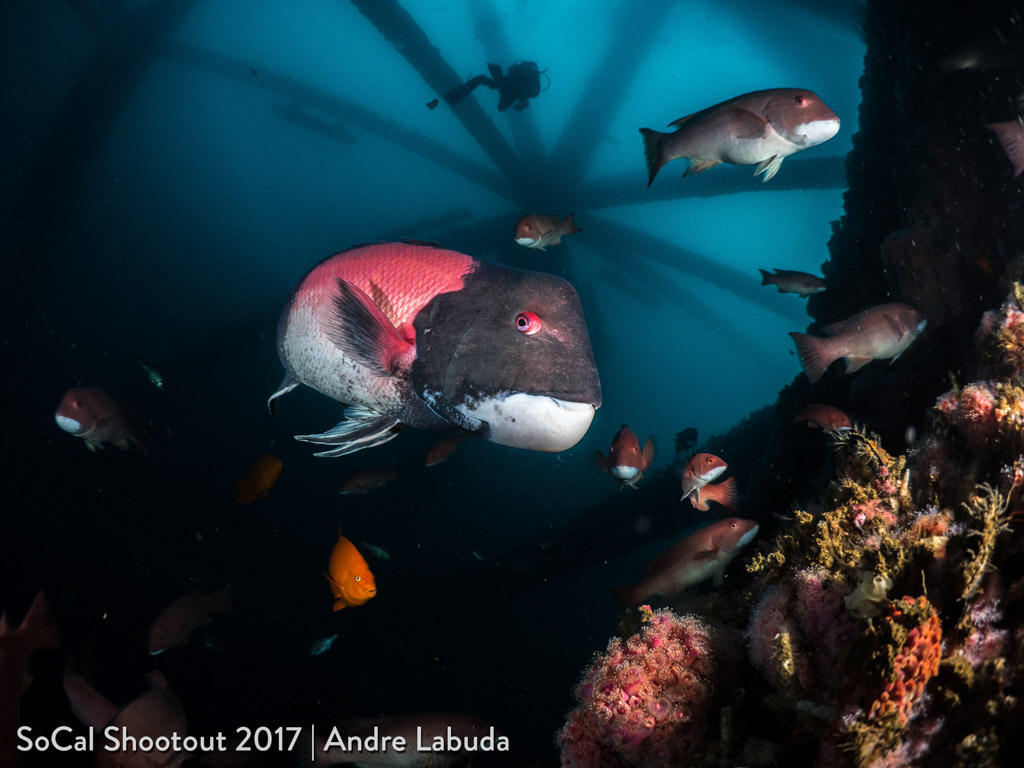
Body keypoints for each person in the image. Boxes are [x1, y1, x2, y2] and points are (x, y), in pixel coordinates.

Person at [443, 61, 544, 112]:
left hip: (505, 86)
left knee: (481, 80)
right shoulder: (531, 82)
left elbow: (511, 71)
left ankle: (458, 94)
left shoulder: (526, 77)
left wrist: (523, 102)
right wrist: (523, 103)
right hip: (508, 90)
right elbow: (526, 94)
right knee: (501, 107)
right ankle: (457, 95)